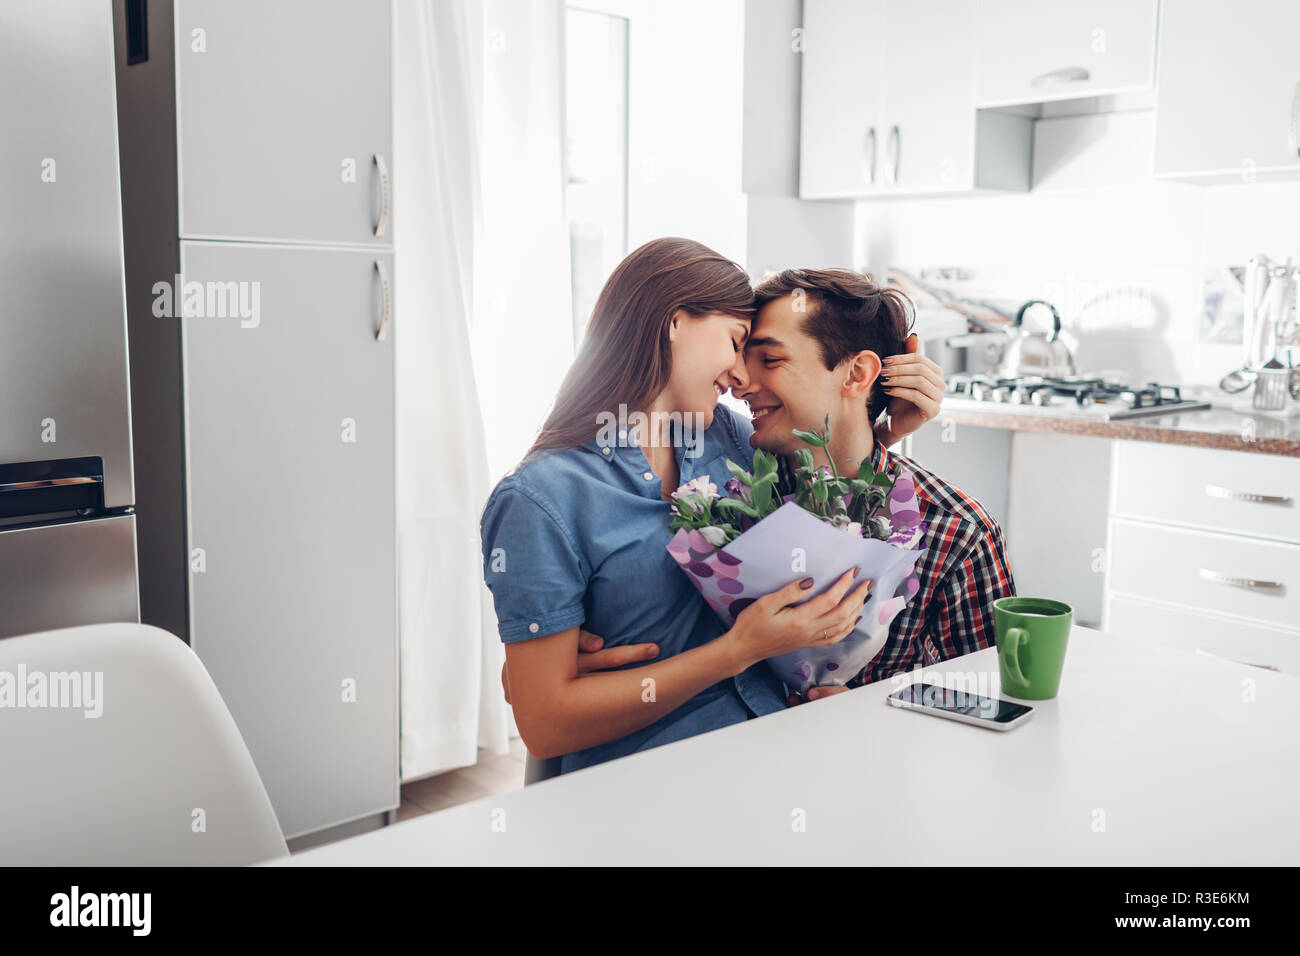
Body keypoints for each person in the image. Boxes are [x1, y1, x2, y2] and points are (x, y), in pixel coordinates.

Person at [479, 240, 933, 775]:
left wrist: (883, 426)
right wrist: (737, 650)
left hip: (771, 758)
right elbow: (544, 723)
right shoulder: (543, 497)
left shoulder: (733, 441)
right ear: (675, 322)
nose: (742, 376)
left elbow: (826, 471)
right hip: (643, 784)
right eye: (737, 341)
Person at [560, 266, 1016, 706]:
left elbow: (992, 704)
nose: (741, 383)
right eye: (741, 354)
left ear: (857, 374)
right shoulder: (723, 486)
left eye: (771, 359)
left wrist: (874, 711)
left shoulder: (959, 533)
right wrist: (564, 645)